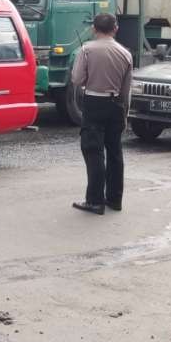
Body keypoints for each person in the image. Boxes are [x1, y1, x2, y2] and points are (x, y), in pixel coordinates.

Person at [70, 13, 133, 215]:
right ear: (115, 29)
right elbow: (126, 90)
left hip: (94, 103)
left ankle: (95, 201)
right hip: (116, 104)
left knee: (93, 151)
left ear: (94, 29)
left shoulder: (87, 50)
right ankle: (115, 199)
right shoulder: (125, 54)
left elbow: (77, 79)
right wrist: (124, 113)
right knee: (115, 152)